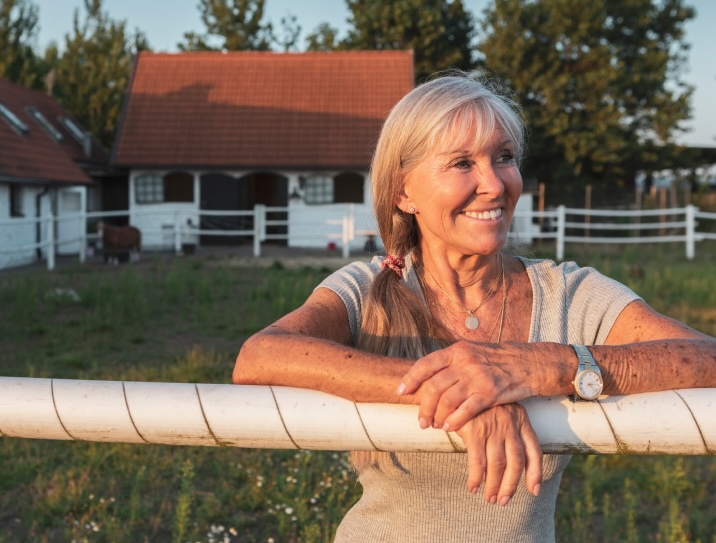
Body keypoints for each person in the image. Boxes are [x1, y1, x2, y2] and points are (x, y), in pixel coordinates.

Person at [233, 72, 716, 542]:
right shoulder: (368, 288)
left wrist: (553, 364)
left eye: (503, 157)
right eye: (462, 163)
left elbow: (706, 358)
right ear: (404, 192)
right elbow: (259, 357)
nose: (494, 184)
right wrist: (457, 394)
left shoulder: (569, 293)